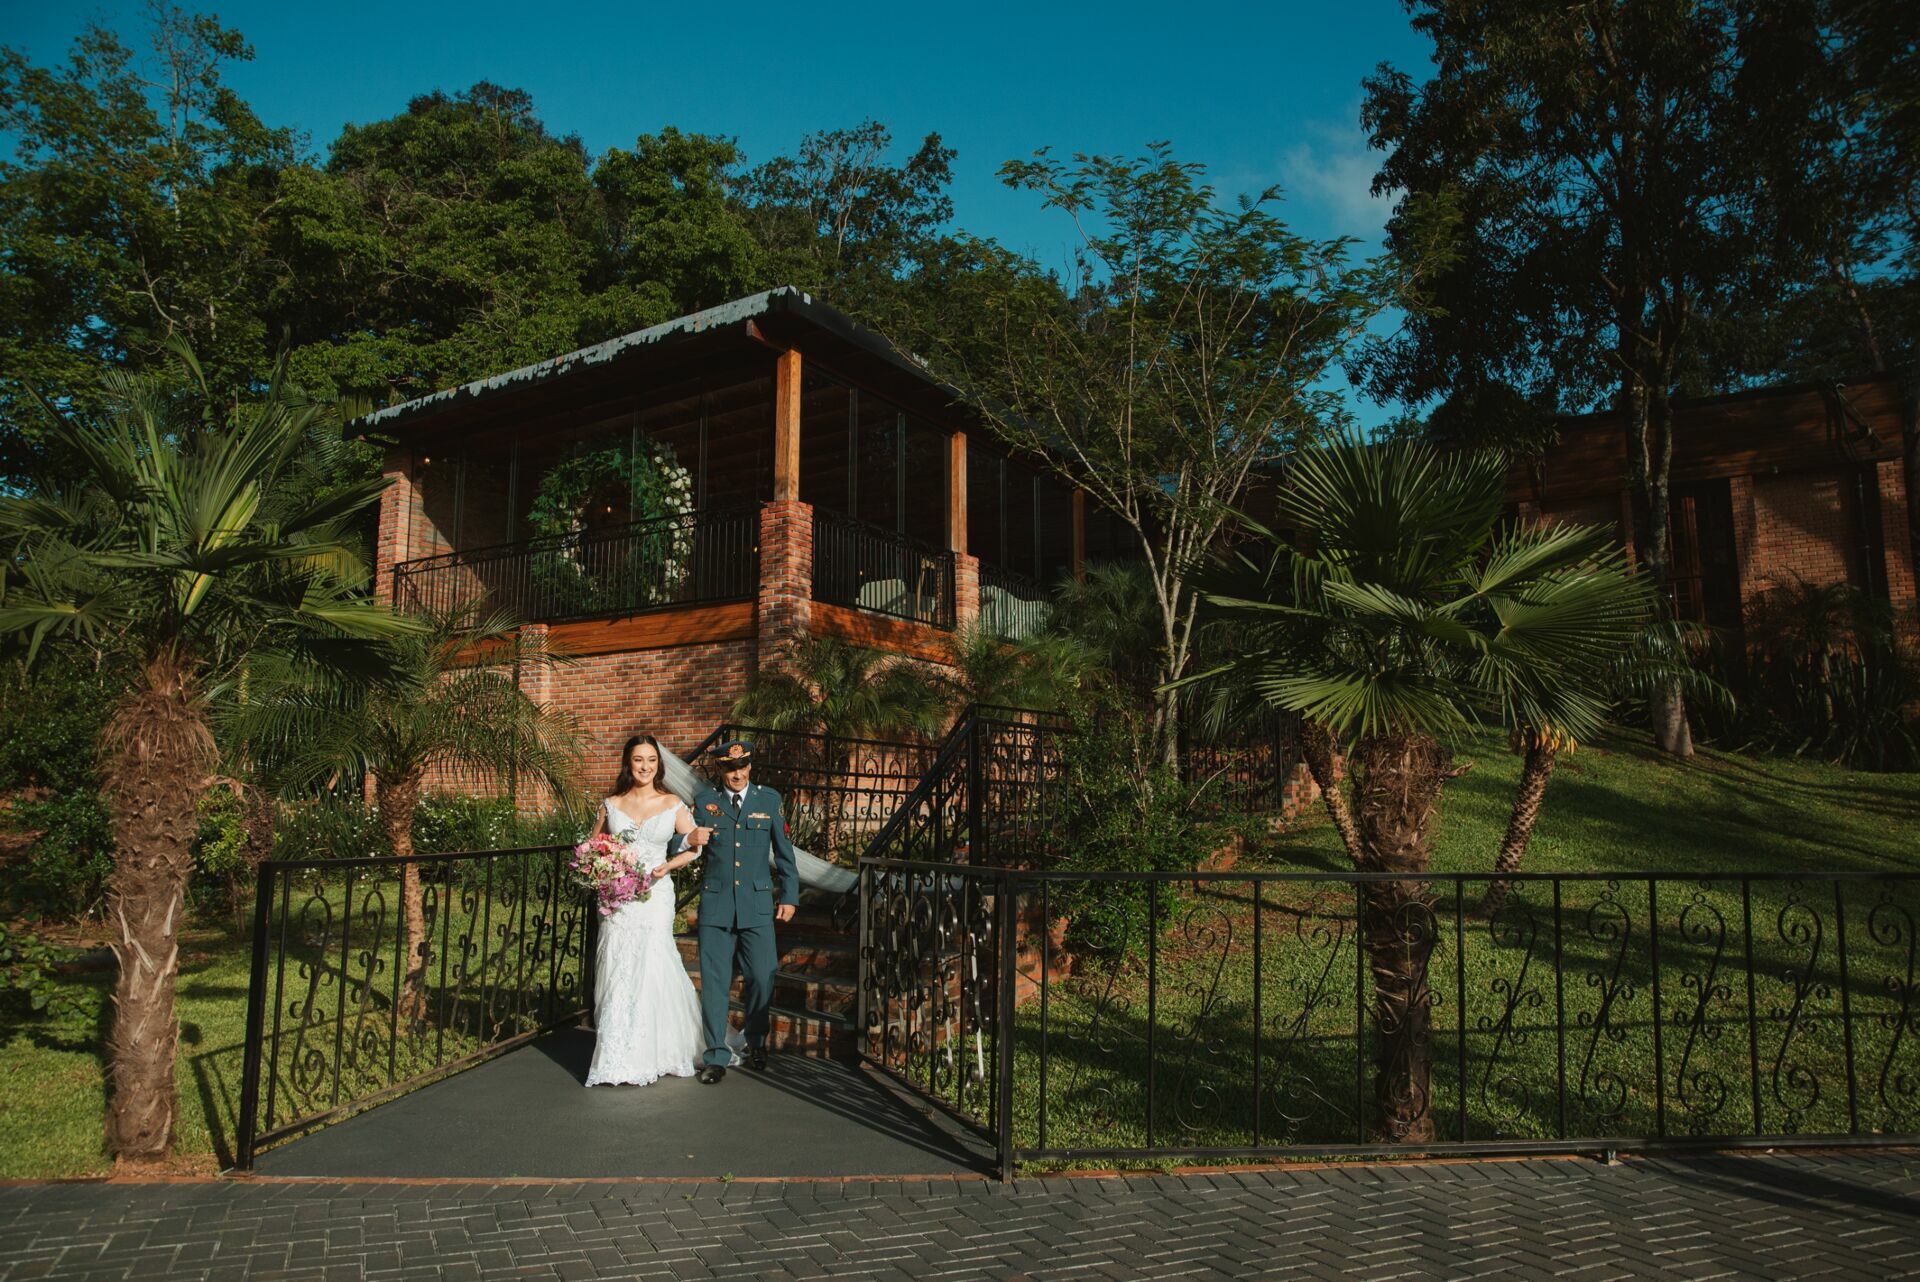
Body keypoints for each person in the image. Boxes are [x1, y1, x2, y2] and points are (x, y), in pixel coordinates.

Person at [583, 735, 710, 1087]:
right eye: (638, 760)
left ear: (659, 764)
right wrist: (603, 870)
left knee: (653, 963)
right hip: (618, 900)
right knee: (619, 965)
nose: (645, 767)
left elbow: (693, 847)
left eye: (651, 760)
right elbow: (594, 847)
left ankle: (658, 1050)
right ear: (628, 763)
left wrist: (666, 867)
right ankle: (615, 1053)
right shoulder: (611, 804)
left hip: (655, 896)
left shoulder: (672, 803)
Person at [670, 738, 799, 1084]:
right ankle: (716, 1055)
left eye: (742, 767)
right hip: (717, 907)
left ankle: (756, 1041)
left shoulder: (768, 801)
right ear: (719, 769)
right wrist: (689, 839)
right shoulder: (704, 803)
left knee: (762, 974)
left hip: (757, 907)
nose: (736, 774)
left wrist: (789, 896)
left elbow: (785, 854)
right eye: (729, 768)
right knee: (714, 983)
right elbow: (675, 843)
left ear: (751, 767)